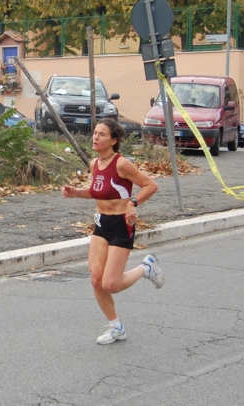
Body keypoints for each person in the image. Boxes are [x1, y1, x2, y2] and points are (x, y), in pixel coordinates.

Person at [62, 118, 164, 345]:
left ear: (114, 140)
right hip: (101, 225)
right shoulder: (94, 164)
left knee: (110, 284)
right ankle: (117, 328)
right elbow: (99, 191)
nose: (95, 138)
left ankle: (146, 268)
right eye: (95, 133)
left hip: (121, 226)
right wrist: (77, 193)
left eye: (102, 134)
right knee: (96, 280)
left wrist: (132, 203)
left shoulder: (121, 164)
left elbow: (150, 185)